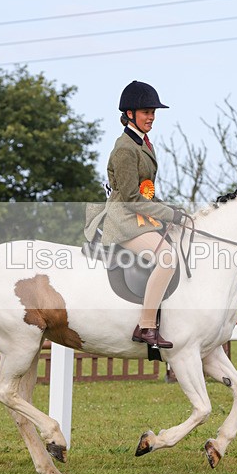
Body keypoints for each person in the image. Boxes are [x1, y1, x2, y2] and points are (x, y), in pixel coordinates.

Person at [88, 81, 188, 349]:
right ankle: (146, 326)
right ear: (130, 114)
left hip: (142, 219)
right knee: (167, 259)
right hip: (123, 222)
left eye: (153, 112)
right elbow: (132, 199)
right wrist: (167, 214)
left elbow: (147, 192)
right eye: (146, 112)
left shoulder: (143, 144)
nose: (152, 117)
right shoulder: (124, 149)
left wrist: (173, 211)